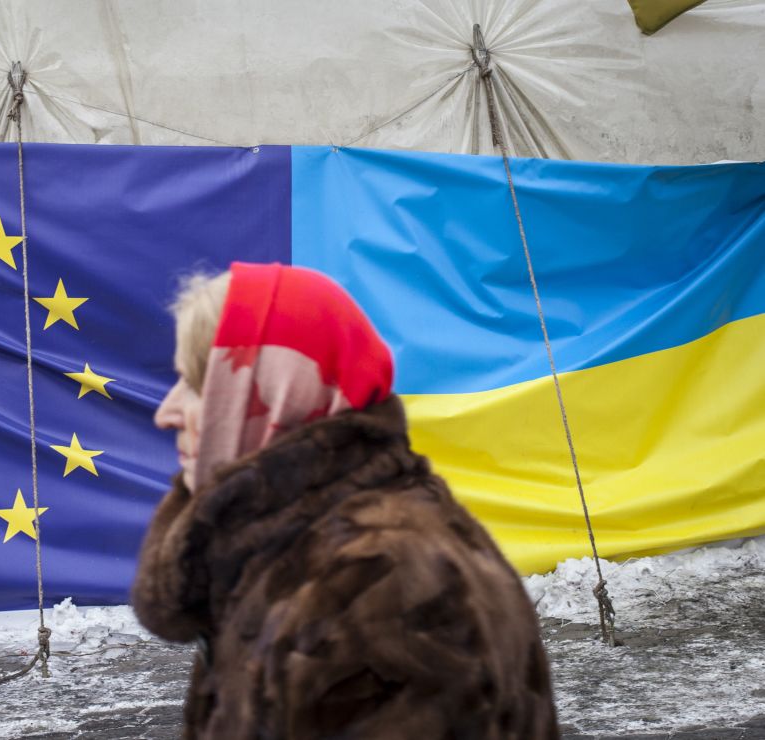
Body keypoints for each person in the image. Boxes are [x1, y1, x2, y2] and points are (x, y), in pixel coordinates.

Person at [132, 262, 559, 739]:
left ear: (278, 394)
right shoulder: (300, 550)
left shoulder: (377, 584)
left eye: (195, 386)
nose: (166, 414)